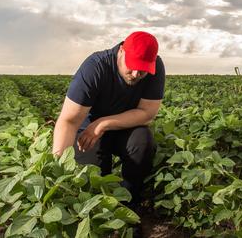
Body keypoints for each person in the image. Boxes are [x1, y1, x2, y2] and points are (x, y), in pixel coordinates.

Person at [52, 31, 165, 237]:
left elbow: (147, 113)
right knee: (93, 176)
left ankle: (130, 206)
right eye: (132, 68)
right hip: (87, 130)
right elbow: (69, 121)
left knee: (143, 143)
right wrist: (59, 170)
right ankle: (99, 218)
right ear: (121, 51)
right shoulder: (96, 67)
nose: (135, 75)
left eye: (143, 71)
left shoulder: (155, 68)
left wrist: (103, 123)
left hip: (123, 127)